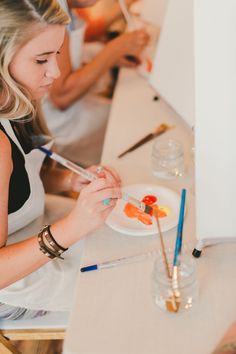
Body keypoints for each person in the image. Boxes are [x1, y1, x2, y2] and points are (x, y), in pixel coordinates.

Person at [0, 0, 121, 320]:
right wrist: (73, 227)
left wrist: (68, 179)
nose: (55, 72)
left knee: (123, 241)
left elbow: (18, 181)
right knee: (124, 291)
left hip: (31, 227)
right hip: (10, 284)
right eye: (41, 59)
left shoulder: (18, 96)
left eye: (57, 53)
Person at [42, 0, 149, 166]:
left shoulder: (65, 7)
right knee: (133, 121)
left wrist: (110, 56)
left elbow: (85, 35)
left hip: (73, 105)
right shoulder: (49, 13)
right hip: (60, 123)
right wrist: (113, 51)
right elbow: (61, 96)